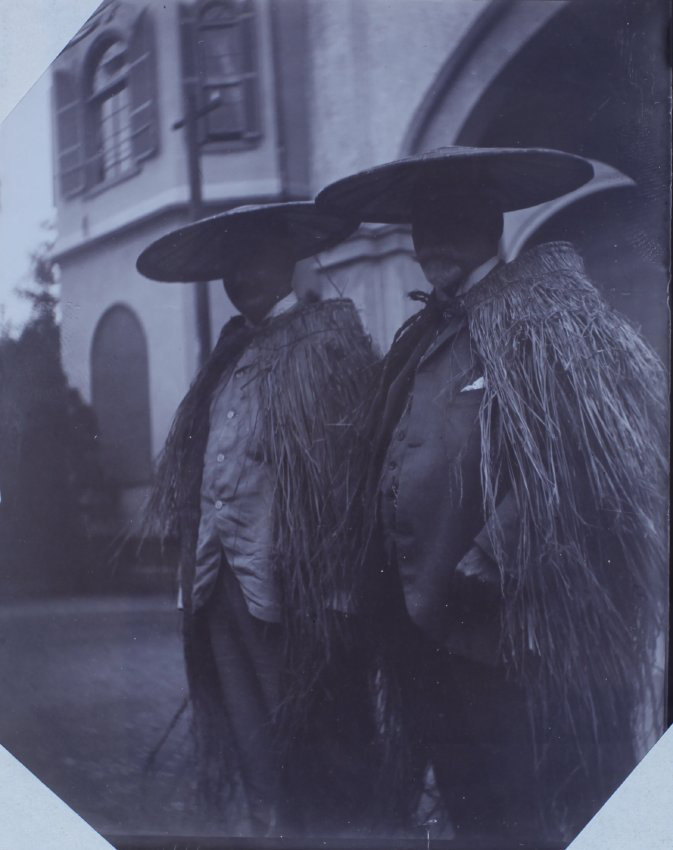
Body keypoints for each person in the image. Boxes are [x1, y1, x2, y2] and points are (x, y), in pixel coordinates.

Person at [316, 147, 668, 843]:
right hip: (421, 625)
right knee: (466, 795)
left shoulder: (544, 317)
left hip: (498, 627)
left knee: (518, 801)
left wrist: (497, 551)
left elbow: (589, 456)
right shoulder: (424, 332)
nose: (431, 242)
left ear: (492, 221)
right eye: (422, 225)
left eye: (451, 218)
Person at [137, 202, 379, 837]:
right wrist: (191, 570)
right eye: (231, 266)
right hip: (221, 589)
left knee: (311, 738)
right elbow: (198, 473)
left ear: (285, 260)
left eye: (256, 259)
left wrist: (332, 586)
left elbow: (351, 477)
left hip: (291, 594)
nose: (243, 276)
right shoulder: (227, 358)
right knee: (253, 742)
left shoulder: (325, 344)